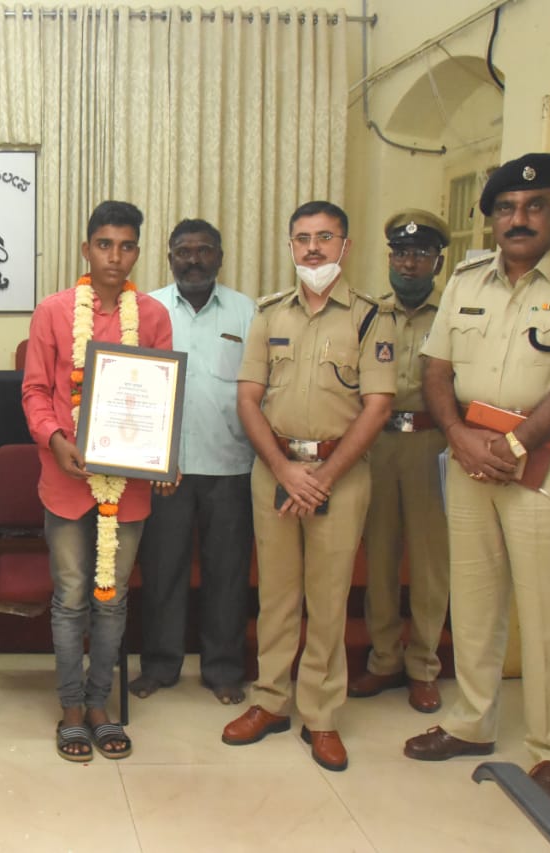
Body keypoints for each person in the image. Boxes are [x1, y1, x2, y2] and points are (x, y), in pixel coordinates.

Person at [404, 153, 550, 810]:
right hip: (470, 456)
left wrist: (517, 442)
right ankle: (474, 719)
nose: (519, 218)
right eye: (506, 209)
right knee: (475, 594)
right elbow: (436, 370)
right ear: (490, 218)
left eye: (534, 205)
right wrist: (461, 436)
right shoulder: (465, 279)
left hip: (549, 460)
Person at [221, 200, 395, 773]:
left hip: (339, 476)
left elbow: (377, 407)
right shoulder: (270, 314)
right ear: (290, 246)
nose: (313, 248)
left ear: (345, 246)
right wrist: (285, 469)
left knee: (327, 598)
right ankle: (270, 700)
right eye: (302, 239)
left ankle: (321, 715)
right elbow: (248, 399)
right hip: (276, 470)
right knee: (276, 595)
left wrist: (321, 477)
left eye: (325, 238)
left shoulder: (371, 318)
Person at [22, 200, 174, 762]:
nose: (116, 256)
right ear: (86, 249)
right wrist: (55, 441)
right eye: (105, 244)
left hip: (127, 484)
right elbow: (35, 391)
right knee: (71, 598)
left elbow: (161, 396)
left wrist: (163, 455)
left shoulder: (153, 316)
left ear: (138, 251)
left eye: (127, 245)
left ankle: (99, 704)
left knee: (111, 601)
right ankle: (68, 708)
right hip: (65, 478)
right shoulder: (54, 311)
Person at [131, 219, 256, 705]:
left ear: (220, 257)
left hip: (231, 465)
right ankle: (160, 666)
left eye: (204, 250)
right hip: (166, 469)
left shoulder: (247, 313)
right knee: (162, 572)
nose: (194, 259)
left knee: (227, 574)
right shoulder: (148, 310)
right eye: (183, 251)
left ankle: (224, 670)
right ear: (168, 258)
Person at [348, 209, 451, 714]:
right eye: (402, 254)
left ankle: (424, 666)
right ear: (390, 258)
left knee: (432, 562)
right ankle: (384, 659)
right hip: (379, 443)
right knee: (382, 556)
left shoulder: (455, 311)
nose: (409, 264)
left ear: (437, 261)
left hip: (432, 444)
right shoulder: (371, 312)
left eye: (421, 255)